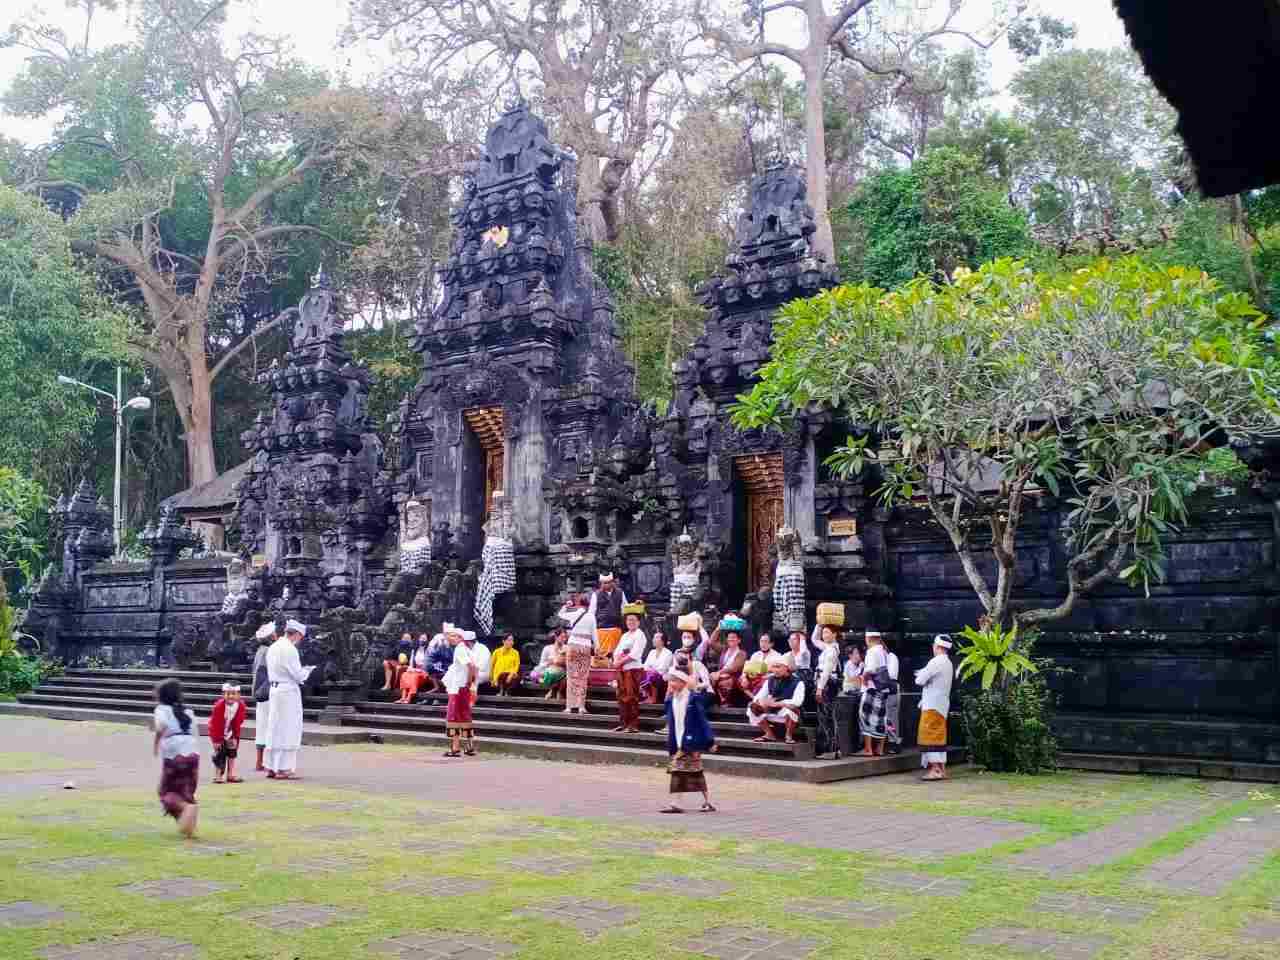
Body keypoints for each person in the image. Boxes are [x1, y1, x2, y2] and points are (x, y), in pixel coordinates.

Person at [264, 619, 315, 780]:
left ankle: (272, 766)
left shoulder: (273, 647)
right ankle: (284, 768)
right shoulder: (289, 649)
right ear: (298, 635)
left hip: (275, 689)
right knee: (288, 727)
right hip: (287, 690)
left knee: (275, 726)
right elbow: (297, 675)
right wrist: (307, 671)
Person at [661, 667, 716, 814]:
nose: (671, 684)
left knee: (678, 770)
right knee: (695, 773)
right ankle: (707, 802)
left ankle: (676, 803)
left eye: (674, 680)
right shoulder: (672, 700)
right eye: (670, 680)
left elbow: (702, 721)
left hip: (690, 742)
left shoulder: (692, 699)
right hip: (678, 742)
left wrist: (710, 741)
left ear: (683, 682)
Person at [153, 678, 200, 837]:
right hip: (193, 753)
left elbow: (161, 726)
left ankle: (187, 809)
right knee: (186, 790)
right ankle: (189, 828)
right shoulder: (188, 712)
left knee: (166, 791)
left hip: (174, 753)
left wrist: (156, 743)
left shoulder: (161, 709)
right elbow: (195, 733)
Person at [915, 634, 955, 781]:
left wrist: (921, 675)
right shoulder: (948, 662)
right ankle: (941, 769)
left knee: (929, 736)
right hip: (942, 705)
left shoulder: (936, 661)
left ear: (937, 646)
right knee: (938, 736)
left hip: (932, 704)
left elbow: (919, 680)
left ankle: (935, 769)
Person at [747, 653, 806, 744]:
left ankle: (789, 735)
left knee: (792, 709)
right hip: (772, 711)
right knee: (752, 707)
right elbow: (758, 696)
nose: (775, 670)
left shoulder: (797, 682)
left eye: (778, 667)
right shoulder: (770, 680)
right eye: (774, 667)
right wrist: (761, 702)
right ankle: (769, 734)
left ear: (786, 668)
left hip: (789, 714)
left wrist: (778, 703)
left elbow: (797, 702)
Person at [442, 624, 477, 757]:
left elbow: (471, 666)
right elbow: (473, 667)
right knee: (465, 716)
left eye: (453, 635)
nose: (450, 638)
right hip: (463, 687)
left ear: (459, 637)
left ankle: (455, 748)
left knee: (453, 717)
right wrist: (471, 682)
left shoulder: (460, 649)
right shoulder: (467, 649)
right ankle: (469, 746)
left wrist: (469, 681)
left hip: (458, 688)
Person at [612, 605, 648, 732]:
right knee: (621, 696)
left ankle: (633, 725)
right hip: (622, 669)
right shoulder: (625, 635)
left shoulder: (640, 634)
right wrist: (616, 661)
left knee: (632, 697)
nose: (630, 622)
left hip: (633, 669)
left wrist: (620, 661)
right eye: (628, 620)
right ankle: (623, 722)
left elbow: (635, 654)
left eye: (633, 620)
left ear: (638, 622)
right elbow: (617, 651)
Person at [558, 594, 595, 715]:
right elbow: (594, 634)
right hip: (585, 646)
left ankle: (569, 707)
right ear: (588, 605)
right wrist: (598, 648)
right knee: (582, 677)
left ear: (578, 604)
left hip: (573, 645)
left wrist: (566, 606)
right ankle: (581, 707)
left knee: (571, 676)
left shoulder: (574, 614)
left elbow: (560, 614)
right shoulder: (591, 616)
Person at [812, 622, 843, 758]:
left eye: (827, 633)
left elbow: (826, 671)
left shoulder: (832, 650)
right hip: (825, 683)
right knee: (827, 716)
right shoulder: (828, 647)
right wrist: (819, 625)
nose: (824, 636)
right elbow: (814, 639)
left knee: (826, 717)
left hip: (827, 684)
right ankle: (834, 749)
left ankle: (830, 750)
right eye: (823, 633)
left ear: (834, 634)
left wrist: (819, 688)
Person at [858, 629, 891, 756]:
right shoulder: (883, 651)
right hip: (883, 690)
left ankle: (868, 749)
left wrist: (864, 677)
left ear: (868, 639)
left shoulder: (872, 651)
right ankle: (880, 749)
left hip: (872, 688)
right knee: (881, 718)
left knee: (864, 716)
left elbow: (871, 669)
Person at [209, 683, 245, 784]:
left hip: (231, 732)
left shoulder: (240, 706)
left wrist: (235, 736)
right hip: (218, 732)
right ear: (223, 695)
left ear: (238, 695)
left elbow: (239, 722)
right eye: (228, 694)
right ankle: (218, 775)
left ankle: (230, 774)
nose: (231, 696)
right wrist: (216, 740)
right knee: (219, 753)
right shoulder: (219, 706)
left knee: (232, 753)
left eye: (233, 694)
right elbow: (215, 724)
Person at [250, 622, 274, 772]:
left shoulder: (261, 650)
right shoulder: (268, 651)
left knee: (262, 726)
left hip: (260, 692)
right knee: (268, 726)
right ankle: (264, 762)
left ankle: (260, 761)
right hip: (266, 692)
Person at [588, 572, 627, 658]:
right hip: (601, 630)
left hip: (616, 628)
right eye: (604, 583)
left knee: (617, 654)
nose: (606, 584)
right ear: (601, 583)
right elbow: (591, 613)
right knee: (602, 656)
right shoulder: (596, 595)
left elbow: (625, 609)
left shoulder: (620, 593)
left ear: (612, 582)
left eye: (608, 582)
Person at [709, 620, 748, 706]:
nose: (731, 639)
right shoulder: (724, 649)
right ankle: (713, 701)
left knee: (725, 679)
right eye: (729, 637)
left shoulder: (741, 653)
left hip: (734, 677)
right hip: (720, 675)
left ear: (739, 640)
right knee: (710, 677)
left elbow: (734, 668)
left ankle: (725, 702)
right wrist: (718, 628)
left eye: (734, 637)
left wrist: (719, 673)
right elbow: (711, 642)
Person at [737, 633, 774, 700]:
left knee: (764, 682)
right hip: (753, 678)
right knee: (741, 680)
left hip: (766, 679)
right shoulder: (755, 654)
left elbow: (777, 672)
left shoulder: (777, 656)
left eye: (766, 641)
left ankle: (757, 700)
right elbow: (747, 668)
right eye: (761, 641)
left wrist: (766, 676)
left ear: (771, 644)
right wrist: (744, 677)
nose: (763, 644)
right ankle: (755, 699)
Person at [640, 632, 674, 703]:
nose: (653, 640)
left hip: (663, 678)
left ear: (662, 641)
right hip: (651, 675)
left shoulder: (668, 653)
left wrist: (651, 669)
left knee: (653, 675)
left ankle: (653, 698)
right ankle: (648, 696)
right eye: (654, 637)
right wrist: (650, 670)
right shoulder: (651, 652)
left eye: (656, 637)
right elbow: (645, 666)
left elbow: (662, 670)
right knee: (643, 672)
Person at [397, 635, 431, 704]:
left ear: (427, 640)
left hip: (424, 672)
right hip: (414, 670)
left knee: (414, 677)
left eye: (424, 639)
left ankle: (409, 697)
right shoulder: (415, 650)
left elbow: (428, 664)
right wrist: (411, 668)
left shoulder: (429, 650)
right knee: (405, 674)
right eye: (421, 638)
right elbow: (411, 662)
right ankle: (403, 698)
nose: (422, 640)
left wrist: (420, 670)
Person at [536, 630, 568, 701]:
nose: (564, 639)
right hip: (549, 671)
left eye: (565, 637)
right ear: (556, 637)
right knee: (553, 673)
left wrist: (562, 662)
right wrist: (550, 662)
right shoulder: (547, 648)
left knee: (565, 676)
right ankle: (554, 691)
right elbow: (541, 664)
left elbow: (569, 663)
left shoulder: (566, 648)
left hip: (563, 671)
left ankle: (555, 691)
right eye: (562, 637)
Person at [884, 636, 902, 754]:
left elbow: (891, 676)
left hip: (891, 689)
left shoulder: (891, 657)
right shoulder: (891, 657)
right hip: (893, 689)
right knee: (891, 718)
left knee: (890, 718)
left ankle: (894, 743)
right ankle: (894, 742)